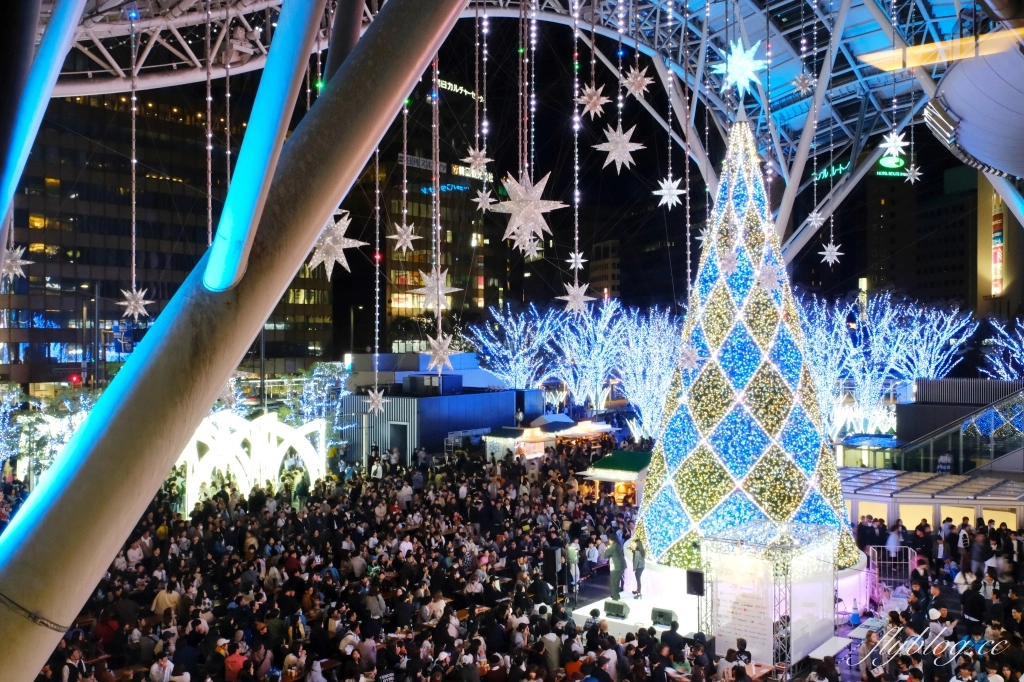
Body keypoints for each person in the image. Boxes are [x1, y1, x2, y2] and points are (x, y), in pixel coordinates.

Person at [606, 536, 625, 601]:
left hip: (615, 567)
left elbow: (605, 555)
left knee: (613, 582)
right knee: (617, 581)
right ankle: (617, 595)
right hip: (621, 566)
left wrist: (606, 549)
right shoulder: (618, 545)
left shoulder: (612, 547)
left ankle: (615, 597)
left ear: (610, 540)